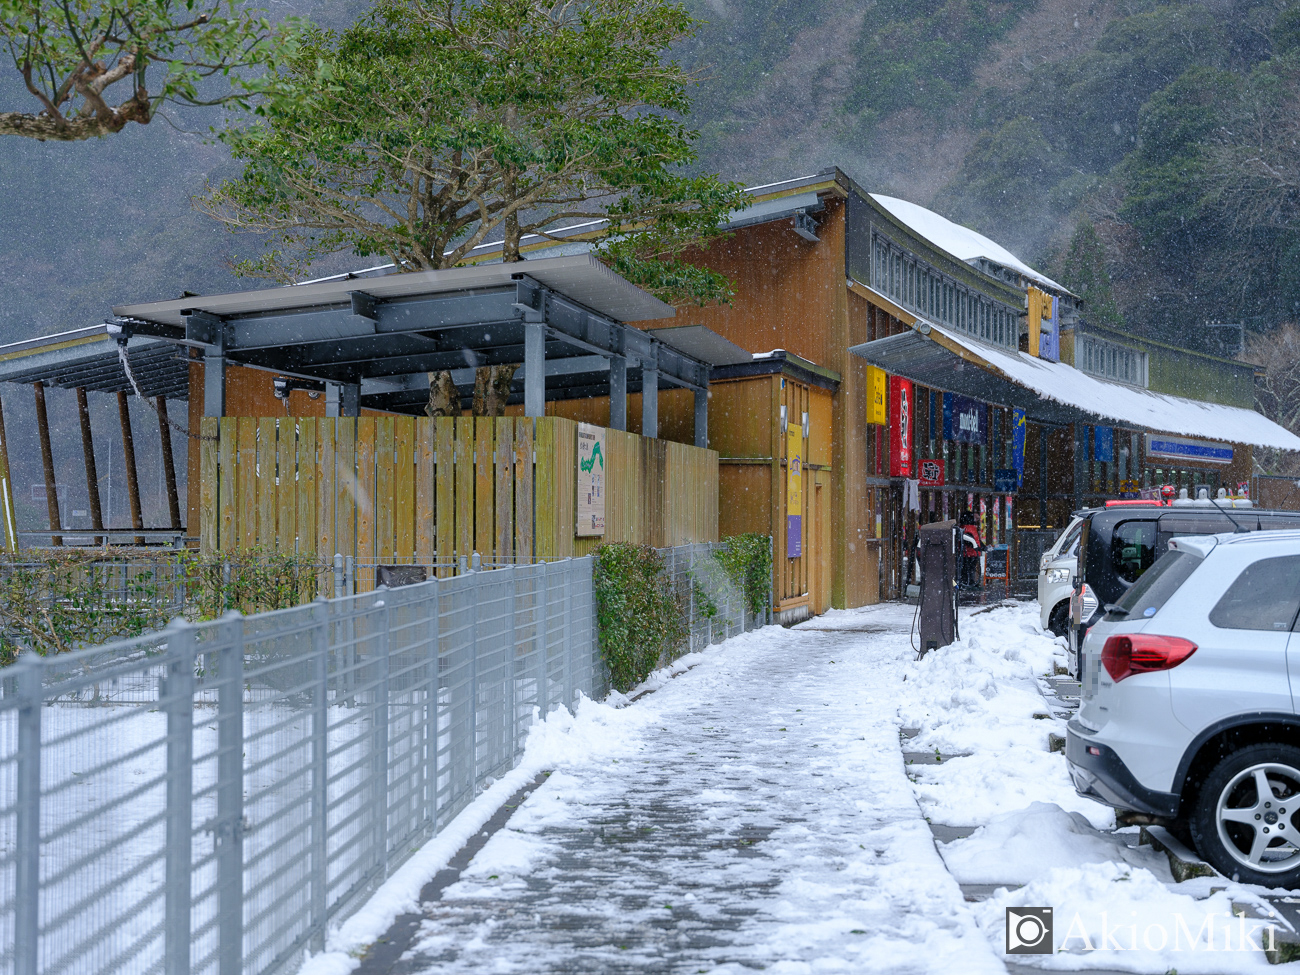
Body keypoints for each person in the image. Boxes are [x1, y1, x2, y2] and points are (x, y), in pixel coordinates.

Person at [958, 508, 983, 589]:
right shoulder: (970, 528)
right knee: (969, 570)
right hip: (970, 554)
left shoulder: (964, 528)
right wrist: (979, 547)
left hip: (968, 554)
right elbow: (972, 541)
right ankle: (969, 584)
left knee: (967, 570)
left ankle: (968, 583)